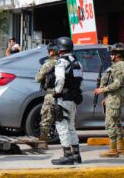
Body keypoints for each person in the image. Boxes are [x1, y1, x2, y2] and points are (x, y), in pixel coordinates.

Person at [48, 37, 83, 165]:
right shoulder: (77, 62)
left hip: (63, 98)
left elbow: (61, 78)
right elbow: (79, 81)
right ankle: (76, 155)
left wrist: (57, 91)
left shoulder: (61, 62)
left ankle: (67, 155)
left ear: (60, 49)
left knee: (61, 126)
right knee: (71, 127)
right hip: (74, 98)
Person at [94, 43, 124, 158]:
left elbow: (117, 84)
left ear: (118, 55)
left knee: (110, 123)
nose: (111, 56)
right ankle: (121, 149)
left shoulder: (120, 65)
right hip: (114, 96)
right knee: (117, 123)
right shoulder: (120, 65)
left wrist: (102, 89)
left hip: (115, 96)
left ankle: (113, 150)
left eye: (112, 54)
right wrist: (107, 98)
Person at [35, 43, 58, 148]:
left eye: (49, 51)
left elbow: (37, 78)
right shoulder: (65, 62)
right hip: (64, 95)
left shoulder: (48, 64)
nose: (48, 52)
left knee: (46, 118)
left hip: (51, 95)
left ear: (52, 51)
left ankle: (43, 142)